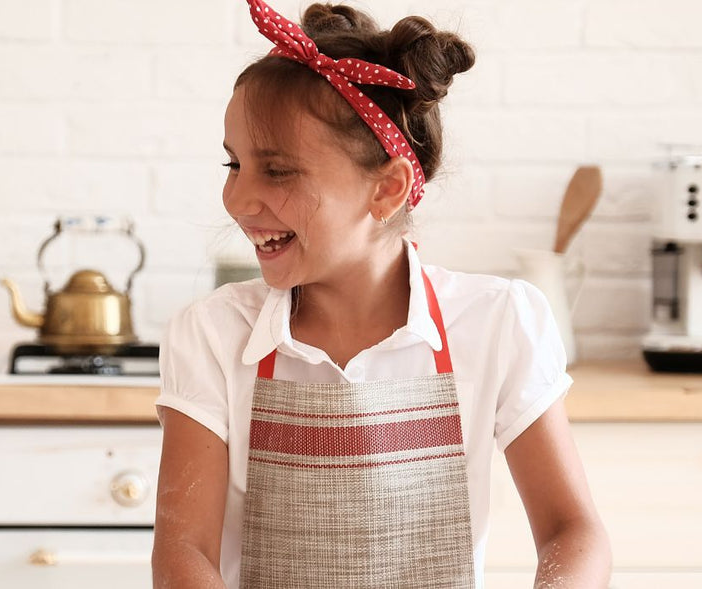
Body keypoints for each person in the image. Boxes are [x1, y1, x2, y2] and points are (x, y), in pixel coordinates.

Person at [151, 2, 611, 587]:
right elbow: (182, 553)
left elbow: (573, 530)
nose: (238, 199)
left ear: (388, 188)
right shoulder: (211, 336)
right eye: (233, 163)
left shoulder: (498, 323)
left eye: (277, 171)